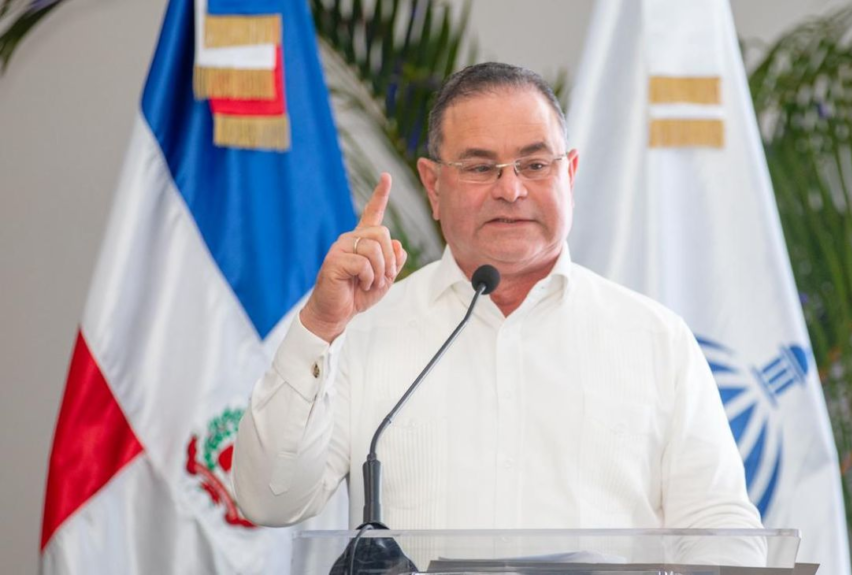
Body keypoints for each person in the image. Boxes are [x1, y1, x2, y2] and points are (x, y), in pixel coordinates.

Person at [233, 62, 762, 542]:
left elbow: (721, 530)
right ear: (433, 186)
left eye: (535, 164)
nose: (511, 189)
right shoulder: (364, 330)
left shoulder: (655, 340)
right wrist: (321, 325)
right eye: (480, 167)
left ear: (570, 174)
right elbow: (269, 499)